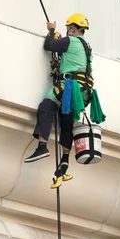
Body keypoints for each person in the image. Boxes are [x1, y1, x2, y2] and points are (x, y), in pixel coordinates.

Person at [25, 13, 94, 186]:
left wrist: (51, 31)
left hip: (69, 87)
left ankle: (42, 146)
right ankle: (64, 162)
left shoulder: (70, 41)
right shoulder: (87, 48)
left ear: (72, 28)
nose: (68, 31)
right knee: (66, 121)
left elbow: (50, 45)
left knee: (47, 105)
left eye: (69, 28)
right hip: (83, 92)